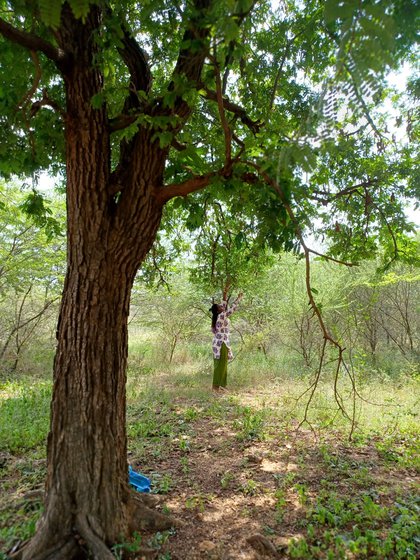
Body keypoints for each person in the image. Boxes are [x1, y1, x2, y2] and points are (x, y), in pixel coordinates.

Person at [210, 292, 243, 391]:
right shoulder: (221, 316)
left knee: (221, 364)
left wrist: (225, 293)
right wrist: (238, 299)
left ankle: (221, 385)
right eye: (220, 306)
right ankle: (216, 386)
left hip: (219, 343)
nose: (222, 306)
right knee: (220, 364)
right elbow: (231, 309)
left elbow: (224, 305)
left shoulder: (218, 316)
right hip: (221, 343)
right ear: (218, 310)